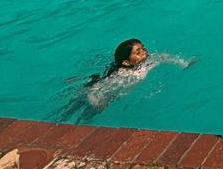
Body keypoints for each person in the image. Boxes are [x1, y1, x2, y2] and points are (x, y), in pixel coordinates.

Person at [64, 39, 195, 116]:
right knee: (79, 109)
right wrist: (97, 104)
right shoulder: (121, 75)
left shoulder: (150, 60)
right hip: (106, 92)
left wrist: (185, 63)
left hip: (115, 92)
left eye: (143, 48)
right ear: (126, 62)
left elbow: (165, 57)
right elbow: (95, 90)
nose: (144, 52)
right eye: (138, 52)